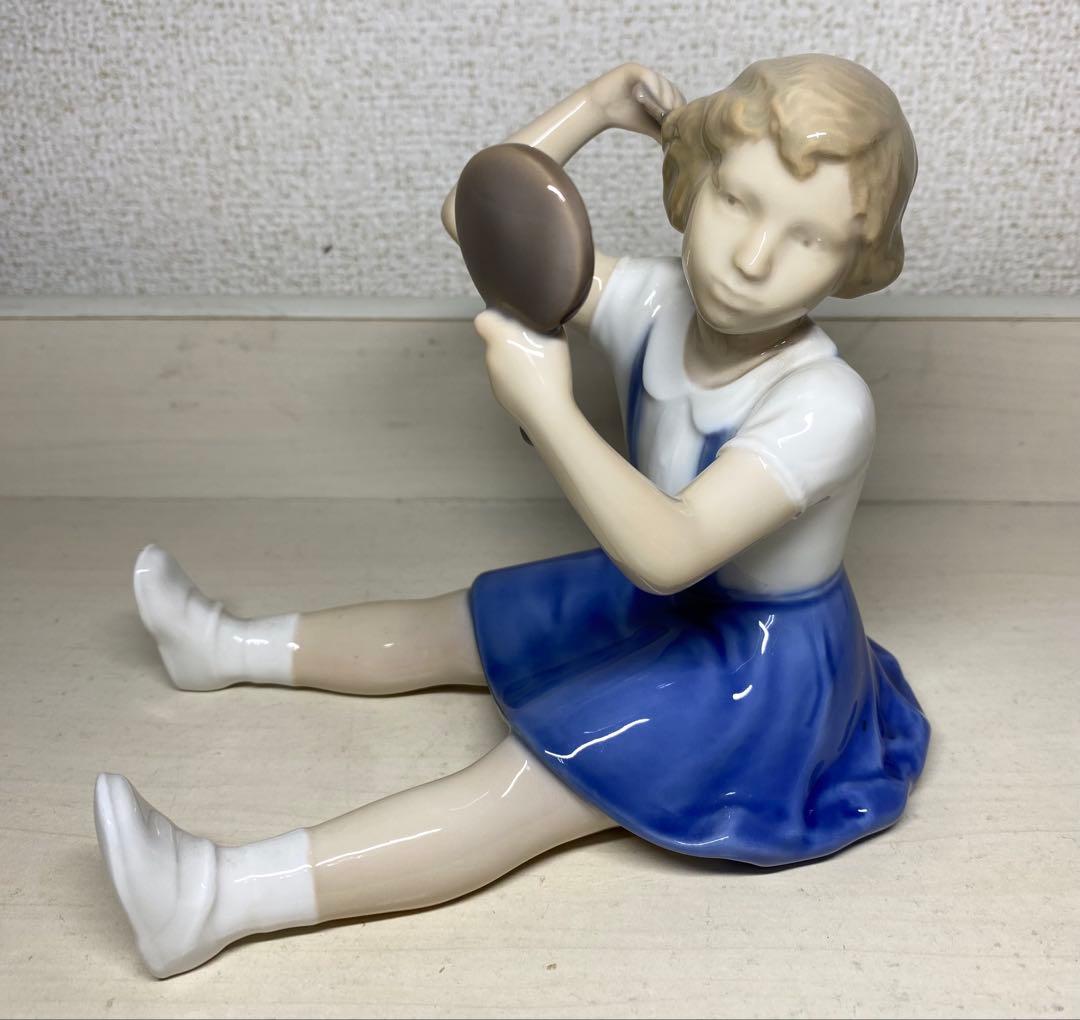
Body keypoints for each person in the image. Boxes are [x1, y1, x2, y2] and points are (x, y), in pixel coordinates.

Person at [94, 55, 930, 979]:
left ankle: (212, 898)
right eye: (737, 201)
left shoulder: (824, 405)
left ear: (855, 263)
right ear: (693, 184)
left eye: (809, 238)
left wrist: (548, 409)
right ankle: (222, 645)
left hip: (757, 671)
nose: (753, 258)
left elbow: (671, 551)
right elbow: (481, 217)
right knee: (467, 619)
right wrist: (595, 107)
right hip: (666, 598)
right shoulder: (658, 300)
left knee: (528, 781)